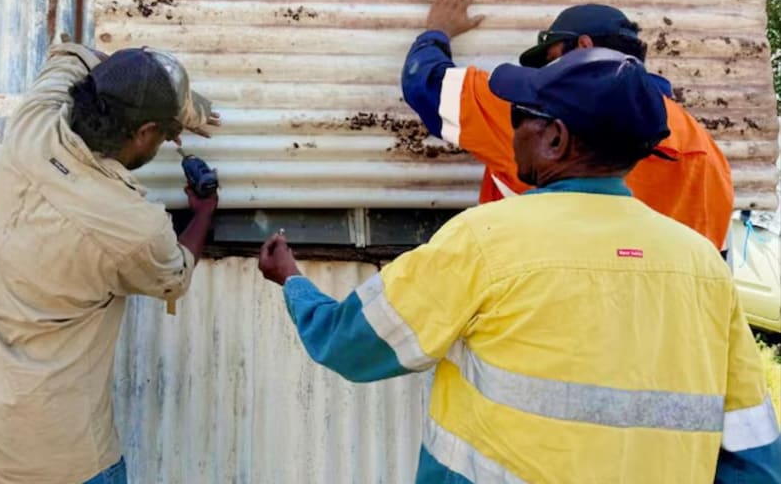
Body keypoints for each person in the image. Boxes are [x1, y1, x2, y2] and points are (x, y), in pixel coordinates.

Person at [257, 48, 780, 483]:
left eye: (520, 117)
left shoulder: (487, 240)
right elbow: (753, 459)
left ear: (555, 139)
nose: (512, 131)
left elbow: (353, 343)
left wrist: (294, 282)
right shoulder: (701, 265)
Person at [0, 39, 221, 484]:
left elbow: (71, 53)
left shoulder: (31, 127)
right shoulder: (134, 229)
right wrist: (203, 215)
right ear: (144, 132)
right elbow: (175, 276)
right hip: (66, 462)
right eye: (165, 131)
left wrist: (161, 95)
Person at [400, 0, 734, 251]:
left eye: (551, 58)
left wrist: (437, 32)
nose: (546, 73)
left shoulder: (542, 112)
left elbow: (426, 83)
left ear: (585, 47)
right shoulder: (704, 152)